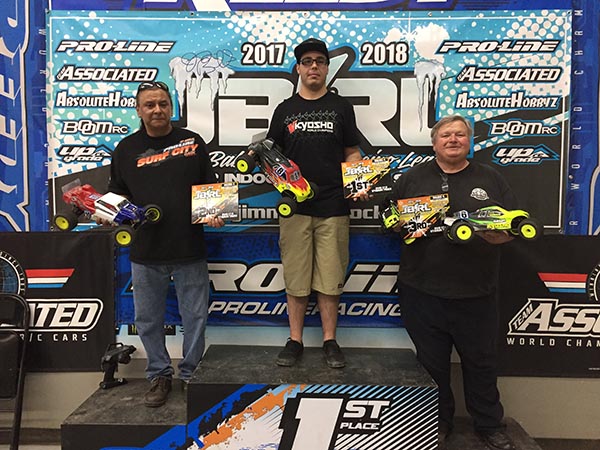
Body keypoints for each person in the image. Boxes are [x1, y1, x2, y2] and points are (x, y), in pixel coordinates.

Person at [387, 115, 516, 450]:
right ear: (434, 143)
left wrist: (498, 235)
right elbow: (390, 221)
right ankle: (437, 424)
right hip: (422, 291)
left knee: (481, 364)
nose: (453, 139)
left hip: (477, 292)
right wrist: (402, 225)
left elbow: (510, 229)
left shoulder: (491, 178)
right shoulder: (412, 178)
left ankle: (489, 425)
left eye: (460, 134)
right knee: (432, 366)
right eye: (446, 135)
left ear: (469, 141)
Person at [107, 80, 224, 407]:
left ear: (171, 107)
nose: (157, 110)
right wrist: (109, 213)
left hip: (190, 248)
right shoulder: (126, 149)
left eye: (163, 103)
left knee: (195, 317)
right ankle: (159, 375)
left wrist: (215, 212)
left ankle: (190, 373)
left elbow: (209, 186)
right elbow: (117, 195)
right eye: (150, 105)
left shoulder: (192, 142)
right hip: (146, 252)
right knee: (147, 320)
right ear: (138, 110)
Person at [266, 38, 365, 369]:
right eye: (307, 61)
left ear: (326, 68)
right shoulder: (284, 110)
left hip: (334, 206)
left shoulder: (341, 108)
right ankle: (295, 340)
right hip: (294, 208)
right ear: (298, 68)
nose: (313, 67)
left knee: (330, 277)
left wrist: (358, 181)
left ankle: (329, 340)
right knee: (296, 277)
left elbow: (351, 151)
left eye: (319, 61)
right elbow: (270, 157)